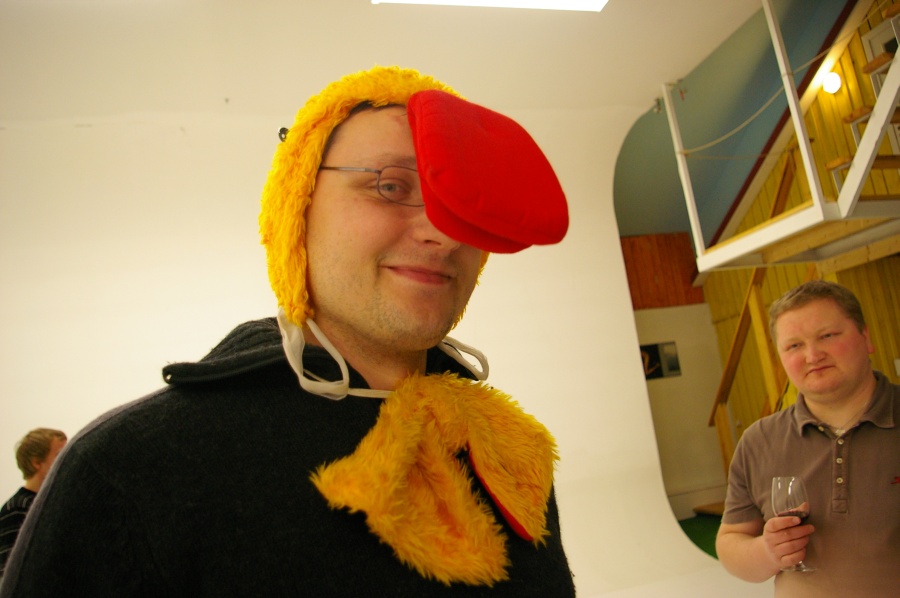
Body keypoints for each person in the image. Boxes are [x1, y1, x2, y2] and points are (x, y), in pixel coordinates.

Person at [0, 66, 575, 596]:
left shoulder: (508, 453)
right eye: (391, 186)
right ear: (296, 208)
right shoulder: (129, 469)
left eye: (458, 202)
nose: (443, 234)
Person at [716, 280, 899, 597]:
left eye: (827, 336)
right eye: (794, 346)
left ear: (866, 337)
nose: (813, 356)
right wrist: (767, 552)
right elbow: (731, 540)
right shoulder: (758, 441)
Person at [0, 428, 67, 577]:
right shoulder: (17, 507)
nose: (67, 461)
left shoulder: (55, 504)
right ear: (37, 462)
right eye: (59, 455)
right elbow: (8, 572)